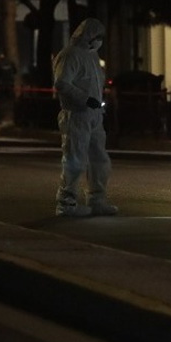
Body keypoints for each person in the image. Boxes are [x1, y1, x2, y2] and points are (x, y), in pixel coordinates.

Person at [53, 17, 117, 217]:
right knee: (75, 159)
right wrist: (85, 99)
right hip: (76, 114)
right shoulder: (70, 55)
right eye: (98, 36)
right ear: (89, 36)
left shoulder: (91, 56)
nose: (100, 41)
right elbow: (62, 83)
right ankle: (66, 203)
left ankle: (97, 200)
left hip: (93, 115)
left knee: (99, 159)